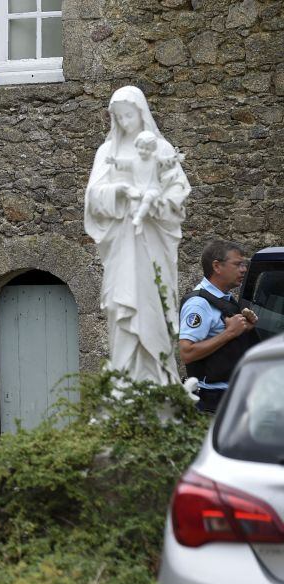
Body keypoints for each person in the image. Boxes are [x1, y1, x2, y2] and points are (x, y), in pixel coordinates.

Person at [85, 85, 191, 385]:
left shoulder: (161, 149)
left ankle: (158, 379)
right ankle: (126, 380)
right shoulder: (107, 152)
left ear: (141, 113)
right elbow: (93, 197)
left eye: (129, 115)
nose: (124, 122)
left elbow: (178, 188)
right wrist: (120, 190)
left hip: (152, 242)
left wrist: (158, 203)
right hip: (122, 242)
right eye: (118, 117)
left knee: (152, 302)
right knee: (120, 304)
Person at [179, 240, 260, 413]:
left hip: (229, 395)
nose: (243, 270)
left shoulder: (225, 299)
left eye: (244, 265)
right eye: (237, 264)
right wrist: (230, 332)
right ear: (217, 266)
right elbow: (186, 353)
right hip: (210, 399)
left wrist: (244, 329)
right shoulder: (199, 304)